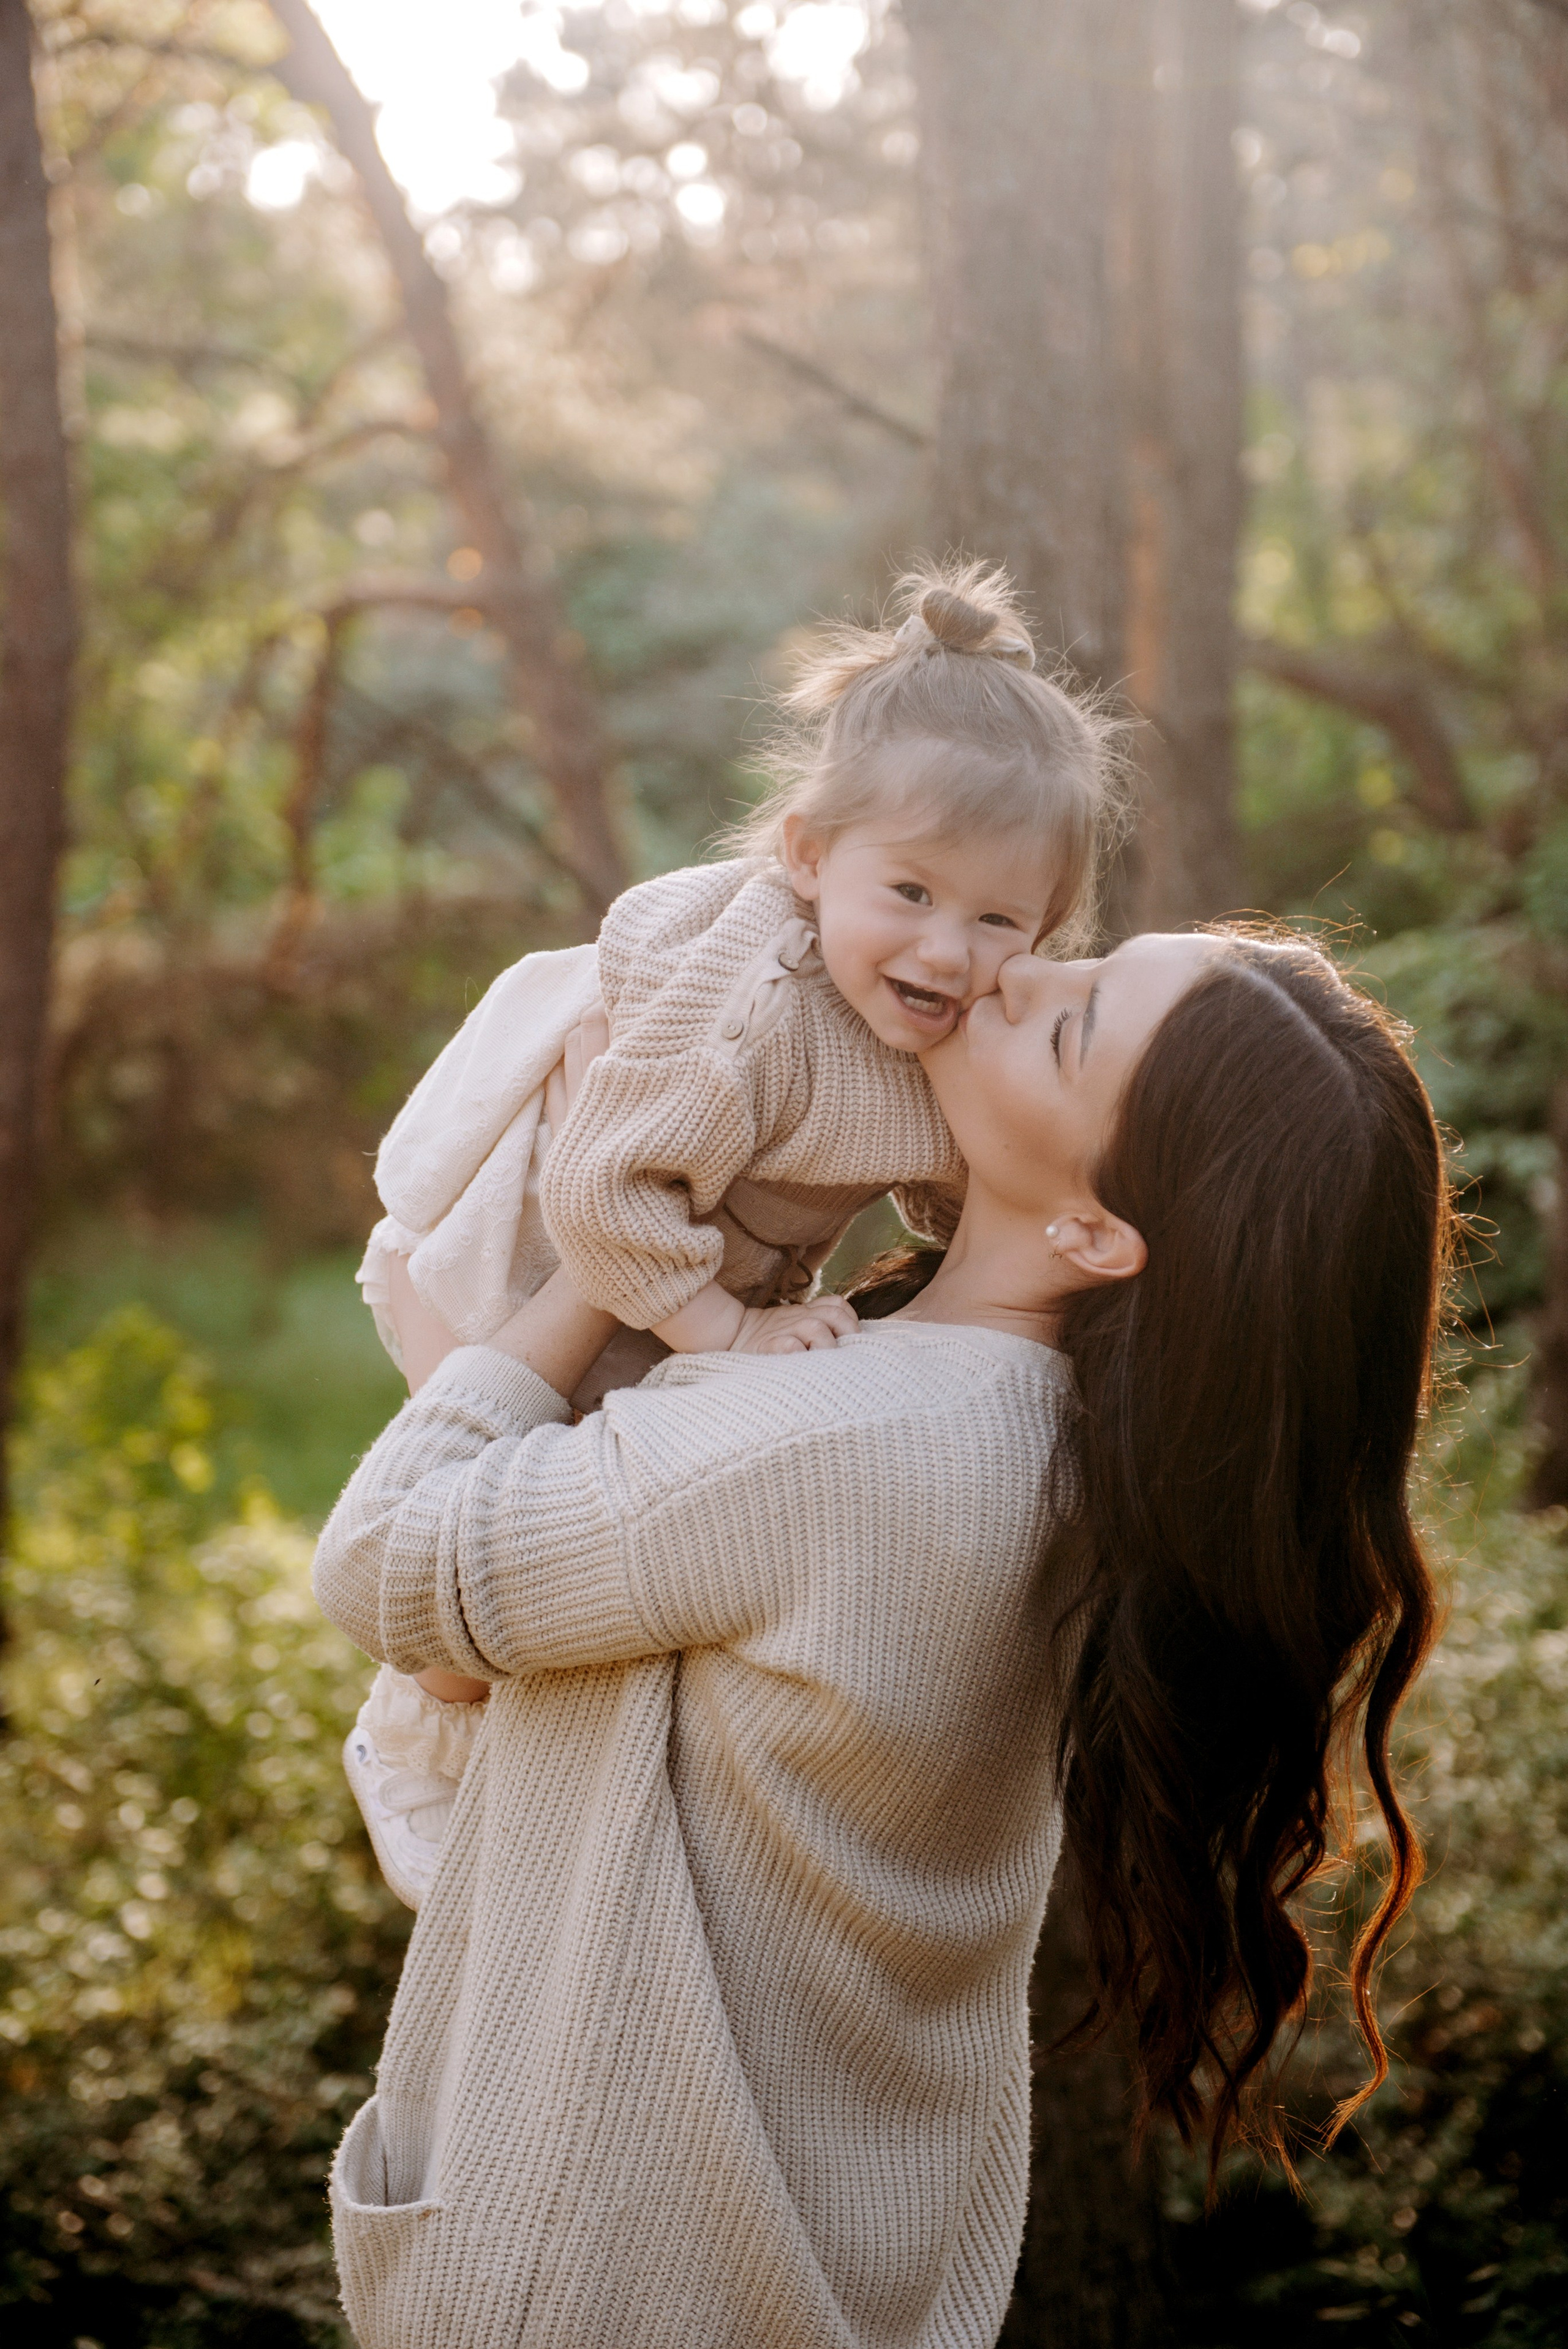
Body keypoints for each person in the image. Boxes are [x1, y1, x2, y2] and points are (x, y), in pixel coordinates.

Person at [312, 922, 1447, 2349]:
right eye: (1082, 959)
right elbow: (481, 1647)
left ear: (1097, 1230)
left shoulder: (850, 1442)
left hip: (601, 2280)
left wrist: (610, 1236)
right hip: (818, 2279)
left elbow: (386, 1567)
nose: (1013, 974)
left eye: (1067, 1026)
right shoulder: (1057, 1452)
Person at [345, 558, 1122, 1903]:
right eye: (912, 894)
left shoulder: (920, 1012)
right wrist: (728, 1330)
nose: (946, 952)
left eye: (998, 918)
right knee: (488, 1560)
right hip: (548, 1238)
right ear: (810, 855)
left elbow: (947, 1176)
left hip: (680, 1259)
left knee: (578, 1543)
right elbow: (601, 1190)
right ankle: (413, 1742)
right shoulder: (751, 1001)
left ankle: (476, 1770)